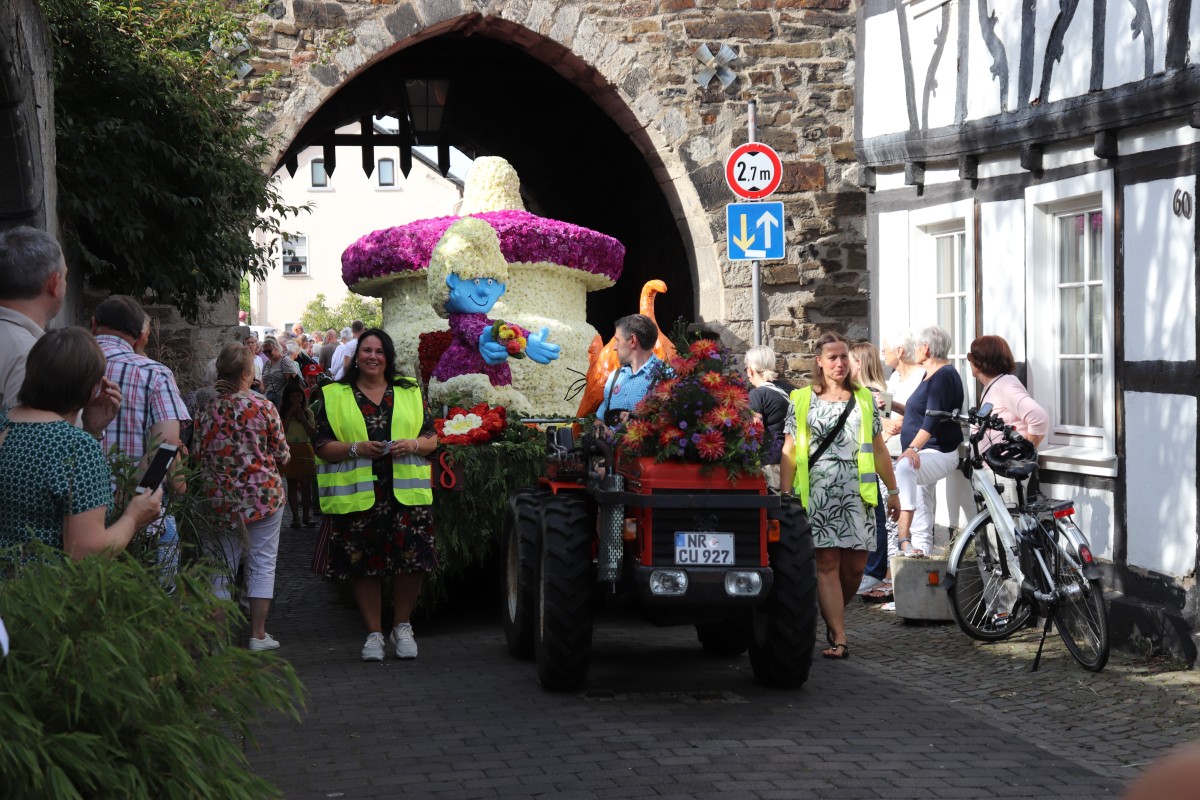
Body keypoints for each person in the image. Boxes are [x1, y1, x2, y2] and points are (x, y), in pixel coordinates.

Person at [312, 328, 437, 662]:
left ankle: (403, 625)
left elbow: (431, 438)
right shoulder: (334, 393)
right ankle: (373, 634)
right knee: (363, 562)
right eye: (366, 350)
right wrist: (355, 448)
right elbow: (322, 446)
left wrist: (412, 444)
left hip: (405, 494)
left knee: (411, 559)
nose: (372, 357)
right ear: (356, 356)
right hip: (360, 495)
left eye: (379, 351)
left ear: (388, 357)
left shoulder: (409, 391)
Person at [779, 332, 900, 659]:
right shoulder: (801, 398)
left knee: (855, 570)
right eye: (832, 357)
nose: (839, 363)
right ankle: (839, 636)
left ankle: (831, 614)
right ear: (819, 361)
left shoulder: (864, 399)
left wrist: (893, 490)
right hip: (818, 493)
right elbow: (789, 450)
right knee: (828, 563)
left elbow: (877, 448)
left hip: (858, 494)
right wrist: (785, 494)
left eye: (844, 356)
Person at [0, 327, 162, 559]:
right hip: (45, 590)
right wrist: (134, 517)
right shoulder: (76, 447)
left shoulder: (4, 421)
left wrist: (92, 429)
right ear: (92, 387)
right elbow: (87, 551)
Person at [193, 342, 290, 651]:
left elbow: (197, 454)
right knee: (262, 563)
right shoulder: (264, 407)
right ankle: (258, 634)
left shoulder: (206, 409)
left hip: (219, 498)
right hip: (263, 496)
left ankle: (218, 643)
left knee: (221, 566)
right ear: (248, 373)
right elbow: (282, 453)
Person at [0, 227, 120, 434]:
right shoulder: (30, 355)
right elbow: (33, 452)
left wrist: (86, 424)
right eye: (64, 276)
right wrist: (87, 432)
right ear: (54, 283)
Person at [91, 295, 190, 479]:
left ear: (94, 323)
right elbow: (167, 442)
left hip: (70, 498)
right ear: (139, 337)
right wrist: (135, 493)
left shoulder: (62, 361)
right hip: (132, 500)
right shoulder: (156, 374)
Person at [894, 325, 966, 557]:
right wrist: (893, 406)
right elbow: (921, 413)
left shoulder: (944, 375)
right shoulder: (930, 374)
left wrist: (913, 448)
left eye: (916, 346)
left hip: (936, 452)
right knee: (922, 503)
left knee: (905, 467)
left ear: (925, 348)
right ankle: (920, 555)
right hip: (926, 451)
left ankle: (903, 537)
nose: (914, 350)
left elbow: (933, 418)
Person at [849, 341, 893, 599]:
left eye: (850, 360)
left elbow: (885, 430)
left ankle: (874, 572)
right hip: (865, 466)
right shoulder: (862, 391)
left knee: (876, 521)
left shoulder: (873, 393)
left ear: (860, 364)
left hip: (870, 467)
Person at [968, 335, 1049, 450]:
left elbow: (1040, 418)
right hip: (989, 466)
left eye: (970, 356)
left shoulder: (1004, 385)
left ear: (981, 360)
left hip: (1004, 466)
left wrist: (1022, 452)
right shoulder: (993, 385)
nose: (969, 361)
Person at [594, 313, 661, 427]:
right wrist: (601, 430)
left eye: (617, 340)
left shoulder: (665, 377)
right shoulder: (615, 377)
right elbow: (599, 420)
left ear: (632, 341)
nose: (614, 347)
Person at [744, 344, 794, 491]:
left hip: (771, 462)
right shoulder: (790, 389)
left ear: (751, 369)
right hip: (793, 462)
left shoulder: (757, 395)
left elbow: (755, 432)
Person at [279, 378, 317, 528]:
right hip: (289, 448)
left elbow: (312, 433)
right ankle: (295, 517)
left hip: (304, 447)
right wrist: (289, 414)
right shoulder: (282, 412)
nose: (297, 399)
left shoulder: (308, 412)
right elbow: (282, 430)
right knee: (292, 484)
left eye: (299, 396)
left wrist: (303, 420)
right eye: (293, 397)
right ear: (288, 398)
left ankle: (307, 515)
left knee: (306, 484)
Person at [261, 335, 301, 408]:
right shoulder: (267, 363)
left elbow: (292, 384)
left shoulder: (285, 361)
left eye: (269, 351)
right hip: (269, 400)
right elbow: (264, 385)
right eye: (264, 352)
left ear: (276, 349)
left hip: (283, 401)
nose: (267, 354)